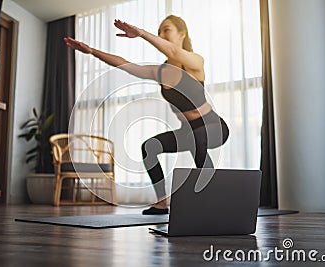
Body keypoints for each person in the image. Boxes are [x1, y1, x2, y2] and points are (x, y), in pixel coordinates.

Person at [64, 15, 229, 215]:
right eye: (158, 31)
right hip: (188, 131)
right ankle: (161, 202)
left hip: (213, 126)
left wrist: (141, 33)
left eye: (166, 30)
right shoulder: (160, 71)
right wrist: (91, 51)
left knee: (196, 138)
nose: (161, 35)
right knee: (150, 147)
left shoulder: (195, 62)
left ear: (182, 34)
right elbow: (124, 64)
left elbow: (175, 51)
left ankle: (214, 198)